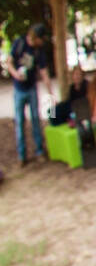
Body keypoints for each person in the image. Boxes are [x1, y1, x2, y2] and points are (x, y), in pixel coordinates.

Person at [7, 22, 53, 165]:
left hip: (31, 88)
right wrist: (16, 75)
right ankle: (22, 156)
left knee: (35, 119)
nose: (42, 41)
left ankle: (39, 150)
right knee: (20, 122)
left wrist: (50, 93)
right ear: (36, 37)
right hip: (19, 89)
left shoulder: (39, 51)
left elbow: (44, 72)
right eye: (42, 38)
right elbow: (9, 62)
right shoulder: (19, 43)